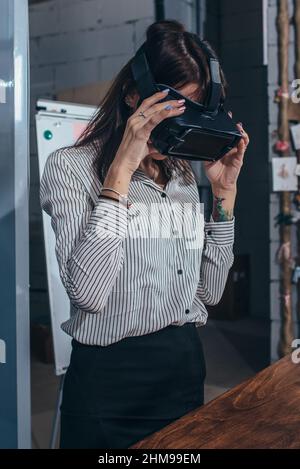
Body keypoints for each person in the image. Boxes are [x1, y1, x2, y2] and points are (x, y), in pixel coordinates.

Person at [40, 19, 249, 449]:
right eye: (172, 109)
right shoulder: (71, 167)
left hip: (183, 366)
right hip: (109, 378)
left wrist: (224, 196)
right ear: (135, 95)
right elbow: (89, 294)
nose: (178, 127)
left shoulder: (182, 176)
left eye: (192, 112)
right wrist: (119, 172)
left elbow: (208, 292)